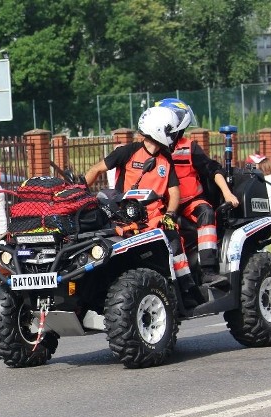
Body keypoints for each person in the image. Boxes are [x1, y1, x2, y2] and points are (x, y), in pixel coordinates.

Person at [85, 106, 201, 308]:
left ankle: (186, 286)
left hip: (156, 218)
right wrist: (80, 192)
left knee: (174, 239)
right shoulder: (127, 152)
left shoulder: (166, 160)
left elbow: (174, 192)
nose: (174, 137)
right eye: (171, 132)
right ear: (159, 131)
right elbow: (96, 169)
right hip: (125, 217)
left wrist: (171, 214)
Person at [154, 98, 239, 285]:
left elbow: (212, 169)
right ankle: (176, 278)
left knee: (207, 212)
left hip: (192, 203)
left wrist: (227, 193)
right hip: (164, 206)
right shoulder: (154, 149)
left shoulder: (189, 146)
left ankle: (208, 269)